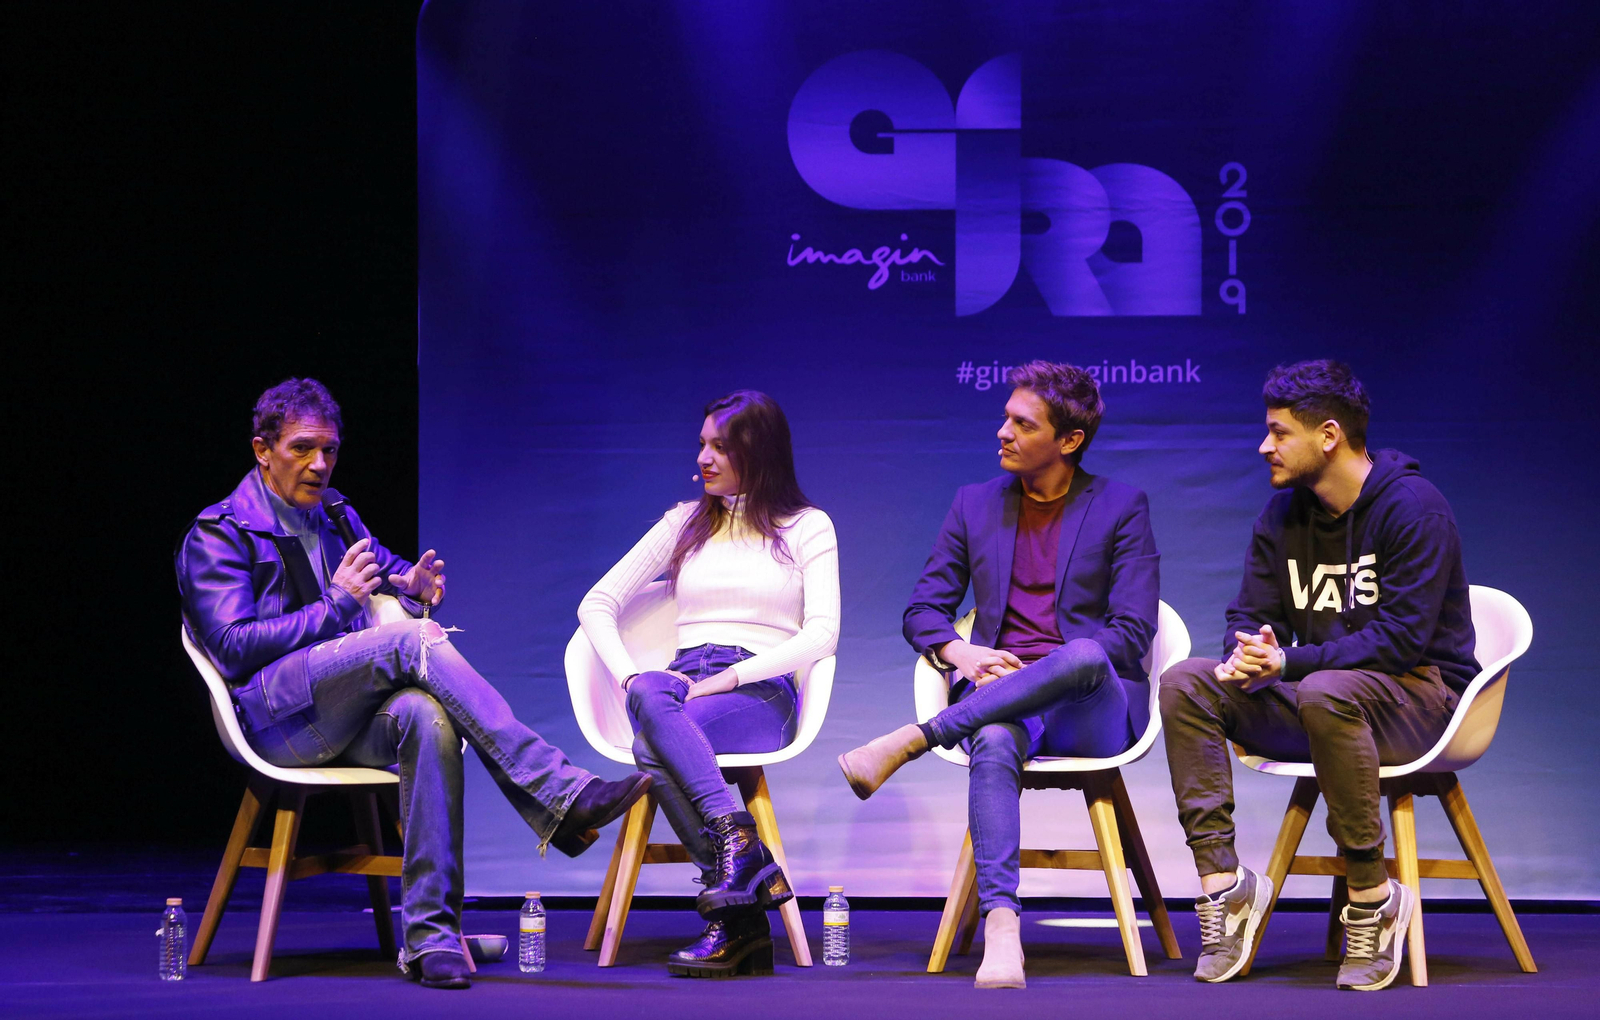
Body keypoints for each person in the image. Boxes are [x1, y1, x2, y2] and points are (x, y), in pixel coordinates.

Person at [175, 378, 651, 990]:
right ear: (262, 450)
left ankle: (430, 939)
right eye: (302, 449)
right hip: (276, 720)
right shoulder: (220, 531)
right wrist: (337, 604)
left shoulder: (336, 511)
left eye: (330, 450)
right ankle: (559, 794)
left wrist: (412, 584)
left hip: (343, 711)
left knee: (427, 716)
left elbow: (389, 567)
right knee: (411, 642)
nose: (319, 464)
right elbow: (233, 648)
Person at [838, 361, 1159, 990]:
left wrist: (1048, 667)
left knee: (1087, 654)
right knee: (991, 734)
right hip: (998, 700)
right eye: (1006, 417)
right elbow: (923, 609)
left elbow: (1133, 634)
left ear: (1069, 441)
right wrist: (963, 656)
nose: (1002, 432)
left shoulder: (1122, 506)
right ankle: (1003, 925)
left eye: (1021, 423)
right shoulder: (974, 504)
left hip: (1090, 707)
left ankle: (915, 737)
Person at [1159, 360, 1477, 991]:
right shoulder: (1283, 517)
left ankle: (1371, 894)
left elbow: (1399, 642)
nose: (1264, 446)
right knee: (1186, 682)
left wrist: (1291, 662)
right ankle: (1225, 886)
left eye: (1278, 433)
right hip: (1324, 701)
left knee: (1327, 691)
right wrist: (1248, 653)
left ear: (1327, 435)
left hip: (1421, 700)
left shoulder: (1415, 508)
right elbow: (1249, 614)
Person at [578, 390, 839, 978]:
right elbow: (597, 603)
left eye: (720, 445)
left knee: (651, 744)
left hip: (759, 685)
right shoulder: (683, 523)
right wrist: (631, 674)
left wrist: (732, 676)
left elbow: (822, 634)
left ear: (760, 451)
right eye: (702, 444)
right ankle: (739, 860)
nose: (704, 457)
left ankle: (736, 918)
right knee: (646, 696)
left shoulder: (807, 527)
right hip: (683, 681)